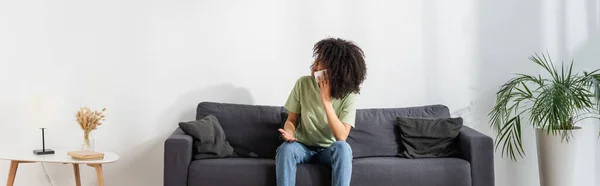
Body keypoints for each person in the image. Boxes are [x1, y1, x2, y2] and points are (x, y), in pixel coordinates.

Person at [276, 37, 367, 186]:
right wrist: (289, 133)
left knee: (343, 148)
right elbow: (292, 120)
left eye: (319, 64)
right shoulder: (303, 83)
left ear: (335, 70)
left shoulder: (349, 94)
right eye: (316, 61)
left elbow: (341, 136)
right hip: (303, 146)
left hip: (328, 150)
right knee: (286, 149)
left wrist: (326, 100)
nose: (314, 67)